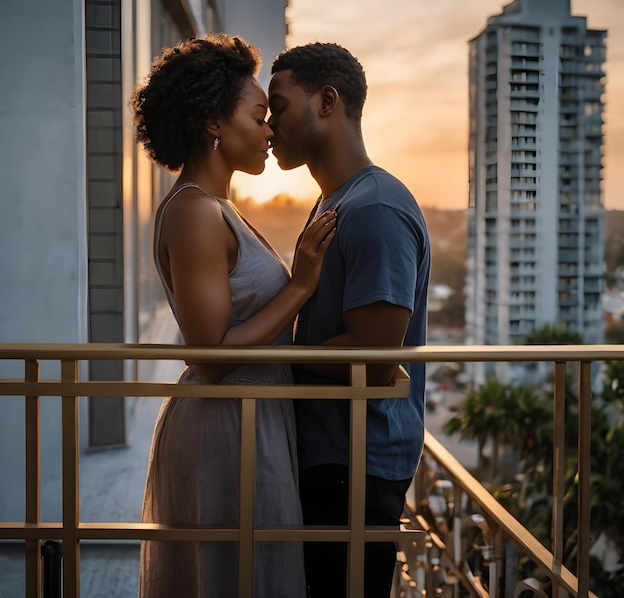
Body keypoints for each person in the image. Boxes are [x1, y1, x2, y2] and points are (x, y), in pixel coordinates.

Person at [130, 33, 336, 598]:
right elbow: (213, 358)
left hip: (249, 419)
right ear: (215, 124)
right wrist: (299, 286)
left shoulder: (216, 207)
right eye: (258, 115)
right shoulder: (196, 212)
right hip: (226, 426)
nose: (269, 131)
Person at [268, 42, 431, 598]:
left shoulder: (375, 208)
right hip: (331, 453)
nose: (270, 126)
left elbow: (376, 357)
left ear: (327, 101)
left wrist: (266, 365)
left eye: (279, 106)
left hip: (355, 463)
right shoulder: (339, 202)